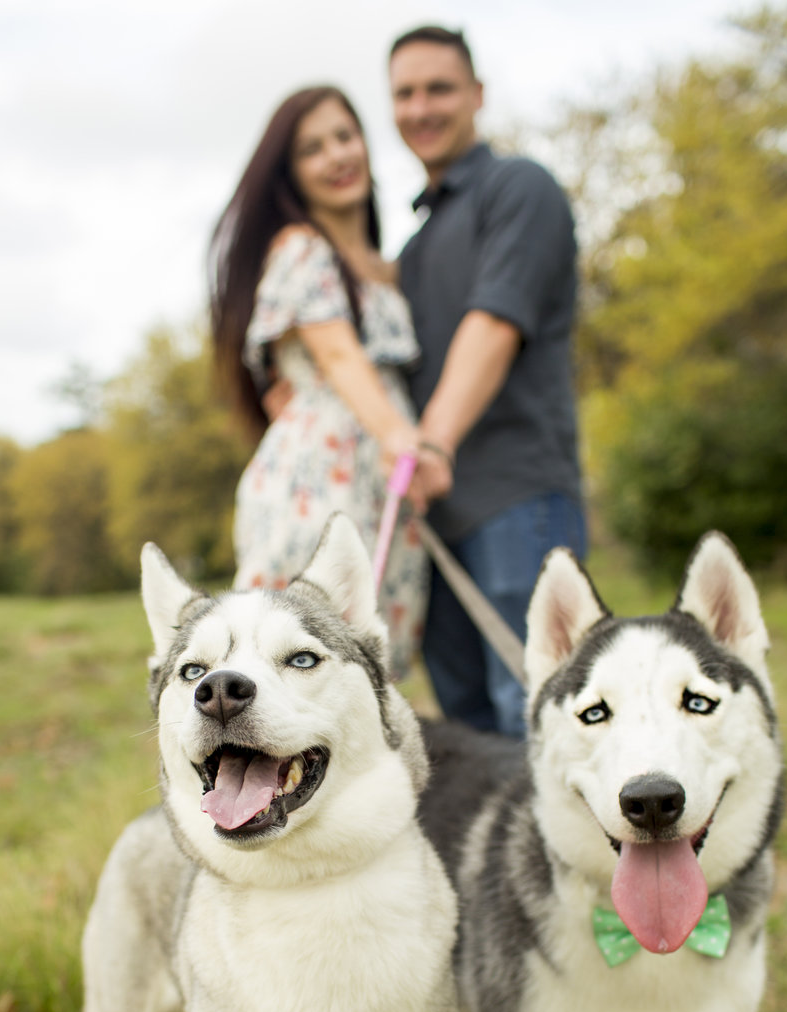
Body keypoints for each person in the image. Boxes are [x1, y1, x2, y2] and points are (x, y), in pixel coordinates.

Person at [389, 25, 587, 736]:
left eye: (439, 88)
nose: (422, 107)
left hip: (517, 499)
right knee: (470, 732)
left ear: (477, 95)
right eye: (405, 94)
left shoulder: (519, 189)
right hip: (434, 524)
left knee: (533, 713)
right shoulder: (410, 248)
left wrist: (432, 446)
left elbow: (493, 324)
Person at [209, 86, 439, 678]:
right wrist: (399, 437)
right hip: (322, 477)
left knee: (360, 666)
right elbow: (336, 354)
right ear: (291, 176)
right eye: (313, 149)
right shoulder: (302, 247)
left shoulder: (386, 269)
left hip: (381, 479)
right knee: (292, 652)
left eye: (344, 136)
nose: (337, 156)